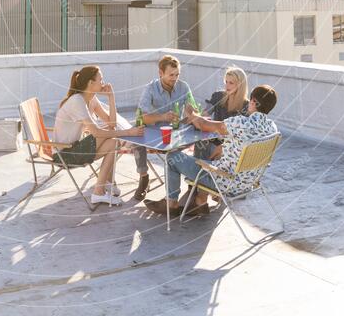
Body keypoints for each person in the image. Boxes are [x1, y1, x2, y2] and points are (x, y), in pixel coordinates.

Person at [144, 85, 278, 218]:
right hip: (247, 183)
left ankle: (171, 204)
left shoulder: (242, 123)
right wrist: (225, 146)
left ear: (254, 102)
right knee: (205, 145)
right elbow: (245, 141)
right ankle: (200, 202)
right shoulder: (272, 127)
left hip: (225, 182)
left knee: (172, 157)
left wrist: (191, 114)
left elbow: (205, 125)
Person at [52, 65, 144, 206]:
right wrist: (128, 132)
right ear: (90, 83)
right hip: (64, 154)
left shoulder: (91, 99)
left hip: (76, 149)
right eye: (100, 80)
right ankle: (106, 184)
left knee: (113, 141)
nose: (103, 83)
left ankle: (99, 191)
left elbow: (111, 123)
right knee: (110, 135)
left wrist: (111, 98)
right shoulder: (77, 100)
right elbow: (96, 133)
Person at [132, 55, 192, 201]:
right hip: (153, 131)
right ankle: (144, 177)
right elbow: (141, 117)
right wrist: (163, 117)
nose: (174, 78)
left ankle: (191, 183)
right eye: (171, 75)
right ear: (160, 73)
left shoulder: (183, 87)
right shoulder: (150, 89)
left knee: (197, 138)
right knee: (136, 136)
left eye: (177, 74)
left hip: (175, 132)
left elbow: (191, 109)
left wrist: (192, 114)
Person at [194, 65, 249, 162]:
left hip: (231, 148)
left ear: (240, 85)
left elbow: (242, 136)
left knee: (204, 147)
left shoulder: (246, 106)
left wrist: (224, 146)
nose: (227, 86)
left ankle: (202, 172)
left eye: (231, 83)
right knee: (201, 142)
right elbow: (206, 112)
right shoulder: (218, 96)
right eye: (226, 82)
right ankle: (197, 172)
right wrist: (198, 115)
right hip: (214, 140)